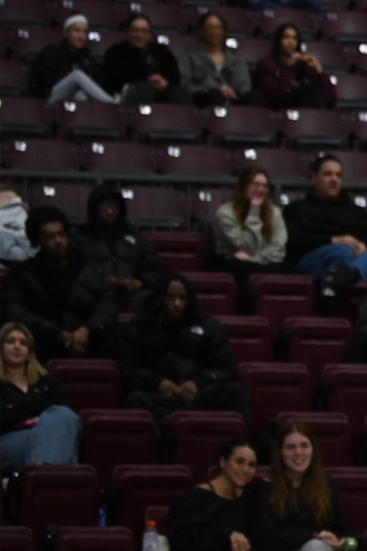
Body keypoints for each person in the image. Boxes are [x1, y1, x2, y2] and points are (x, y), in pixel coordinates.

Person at [249, 423, 348, 551]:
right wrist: (311, 538)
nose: (298, 453)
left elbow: (339, 529)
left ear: (313, 449)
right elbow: (263, 537)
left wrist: (335, 540)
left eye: (304, 445)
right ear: (280, 452)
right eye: (290, 447)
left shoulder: (329, 485)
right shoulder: (264, 488)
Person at [118, 272, 249, 421]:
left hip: (198, 397)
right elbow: (128, 366)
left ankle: (237, 444)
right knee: (134, 400)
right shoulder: (140, 325)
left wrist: (197, 382)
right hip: (158, 397)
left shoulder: (208, 326)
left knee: (237, 391)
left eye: (182, 298)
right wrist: (157, 382)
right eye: (171, 297)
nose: (177, 304)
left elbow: (226, 370)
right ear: (159, 299)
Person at [2, 209, 114, 358]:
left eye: (61, 234)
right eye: (50, 237)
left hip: (89, 346)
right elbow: (16, 311)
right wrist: (55, 333)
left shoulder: (88, 271)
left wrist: (87, 329)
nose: (58, 241)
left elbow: (108, 303)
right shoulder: (24, 276)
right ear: (38, 241)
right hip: (40, 349)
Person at [286, 154, 367, 290]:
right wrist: (334, 240)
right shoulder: (297, 209)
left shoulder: (356, 211)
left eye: (338, 175)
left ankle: (351, 273)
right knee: (343, 252)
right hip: (315, 259)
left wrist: (363, 245)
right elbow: (296, 242)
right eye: (328, 174)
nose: (334, 180)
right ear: (314, 177)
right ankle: (331, 294)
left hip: (353, 257)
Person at [0, 323, 81, 466]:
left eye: (23, 343)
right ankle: (50, 478)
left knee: (63, 416)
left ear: (29, 350)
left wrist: (17, 409)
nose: (17, 346)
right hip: (8, 442)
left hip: (45, 435)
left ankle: (41, 474)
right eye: (10, 341)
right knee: (61, 440)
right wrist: (42, 413)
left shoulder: (48, 380)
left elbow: (63, 408)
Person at [76, 182, 163, 312]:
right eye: (104, 207)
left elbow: (154, 268)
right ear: (94, 208)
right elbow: (74, 271)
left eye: (114, 207)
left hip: (133, 298)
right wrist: (100, 283)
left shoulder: (136, 239)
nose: (110, 212)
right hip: (95, 299)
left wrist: (139, 282)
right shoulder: (79, 239)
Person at [213, 166, 287, 282]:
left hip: (265, 262)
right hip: (234, 263)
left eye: (265, 186)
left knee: (292, 272)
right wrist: (254, 212)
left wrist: (255, 259)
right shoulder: (225, 213)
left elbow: (278, 249)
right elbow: (246, 247)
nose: (261, 190)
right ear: (243, 187)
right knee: (243, 268)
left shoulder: (275, 213)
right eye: (256, 185)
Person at [29, 14, 115, 103]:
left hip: (70, 100)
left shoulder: (87, 58)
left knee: (81, 96)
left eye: (84, 32)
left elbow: (98, 81)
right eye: (76, 31)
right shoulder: (53, 51)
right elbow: (46, 79)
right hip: (50, 96)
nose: (81, 36)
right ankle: (112, 103)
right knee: (77, 75)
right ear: (66, 33)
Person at [103, 13, 183, 104]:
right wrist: (147, 80)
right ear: (127, 32)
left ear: (150, 34)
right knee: (143, 89)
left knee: (179, 92)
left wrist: (166, 83)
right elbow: (115, 78)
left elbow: (175, 76)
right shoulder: (116, 52)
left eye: (144, 31)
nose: (140, 35)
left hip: (162, 94)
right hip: (129, 94)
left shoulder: (162, 52)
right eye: (135, 30)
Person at [182, 13, 255, 108]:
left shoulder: (235, 59)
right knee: (215, 94)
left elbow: (244, 85)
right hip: (205, 98)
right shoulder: (190, 57)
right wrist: (206, 89)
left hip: (233, 98)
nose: (214, 32)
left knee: (255, 96)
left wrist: (233, 92)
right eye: (209, 28)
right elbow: (185, 84)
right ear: (201, 31)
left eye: (218, 28)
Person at [254, 23, 333, 110]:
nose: (291, 42)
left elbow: (331, 97)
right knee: (307, 89)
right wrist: (288, 66)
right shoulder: (267, 63)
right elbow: (275, 93)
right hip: (277, 107)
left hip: (302, 108)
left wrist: (319, 71)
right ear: (279, 40)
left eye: (294, 38)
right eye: (286, 37)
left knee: (309, 95)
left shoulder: (301, 64)